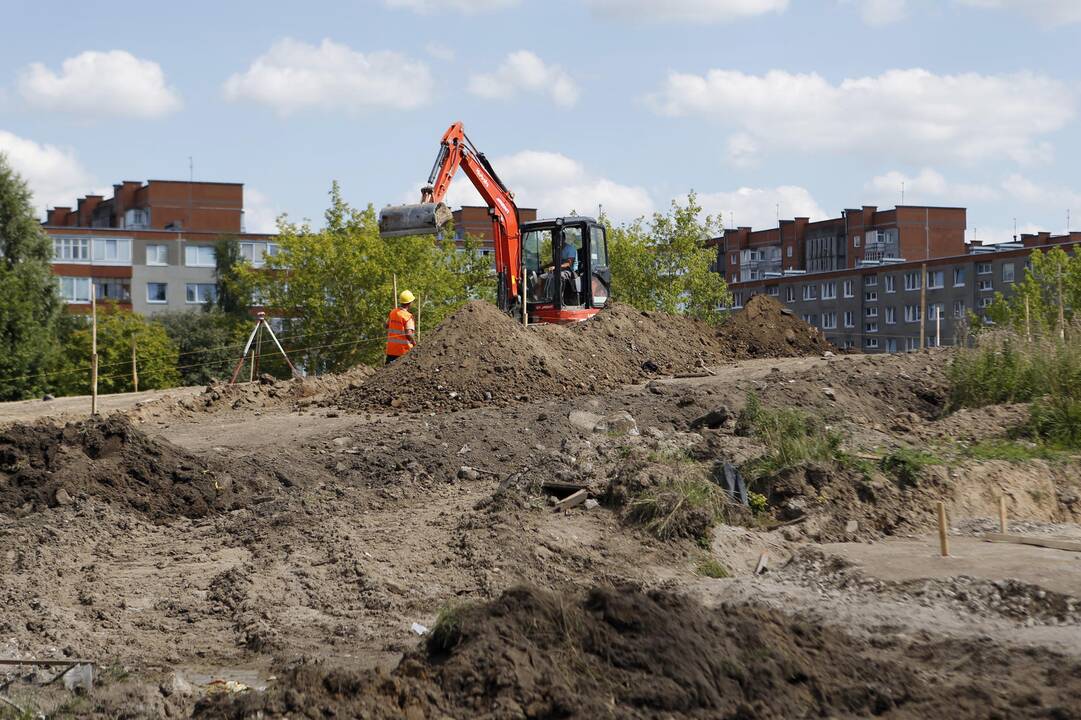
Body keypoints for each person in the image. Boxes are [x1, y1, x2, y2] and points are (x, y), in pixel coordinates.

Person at [385, 290, 417, 364]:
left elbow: (386, 325)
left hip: (391, 350)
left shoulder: (393, 312)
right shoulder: (408, 316)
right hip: (403, 352)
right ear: (410, 303)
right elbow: (409, 334)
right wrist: (414, 343)